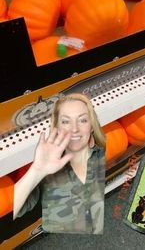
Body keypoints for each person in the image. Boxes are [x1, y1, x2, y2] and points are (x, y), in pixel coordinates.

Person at [13, 93, 106, 234]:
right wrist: (37, 170)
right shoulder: (48, 169)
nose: (74, 129)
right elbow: (13, 211)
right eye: (65, 122)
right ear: (56, 127)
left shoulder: (104, 152)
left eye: (82, 120)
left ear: (92, 126)